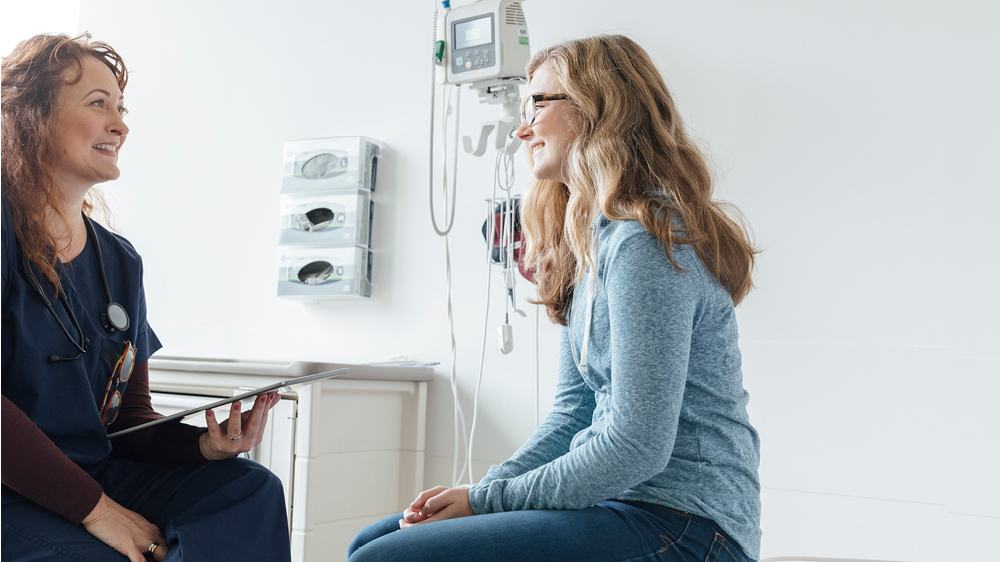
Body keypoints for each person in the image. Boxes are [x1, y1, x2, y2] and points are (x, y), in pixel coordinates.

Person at [348, 35, 761, 562]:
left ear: (598, 107)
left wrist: (484, 500)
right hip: (618, 507)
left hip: (688, 526)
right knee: (374, 542)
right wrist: (487, 491)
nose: (523, 128)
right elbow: (573, 414)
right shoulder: (590, 241)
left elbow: (637, 446)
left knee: (383, 559)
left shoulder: (645, 242)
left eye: (538, 104)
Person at [1, 34, 291, 562]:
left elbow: (127, 418)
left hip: (94, 474)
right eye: (98, 104)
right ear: (31, 115)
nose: (121, 125)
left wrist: (204, 444)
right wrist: (100, 513)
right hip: (10, 489)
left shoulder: (119, 261)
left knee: (248, 491)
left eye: (121, 107)